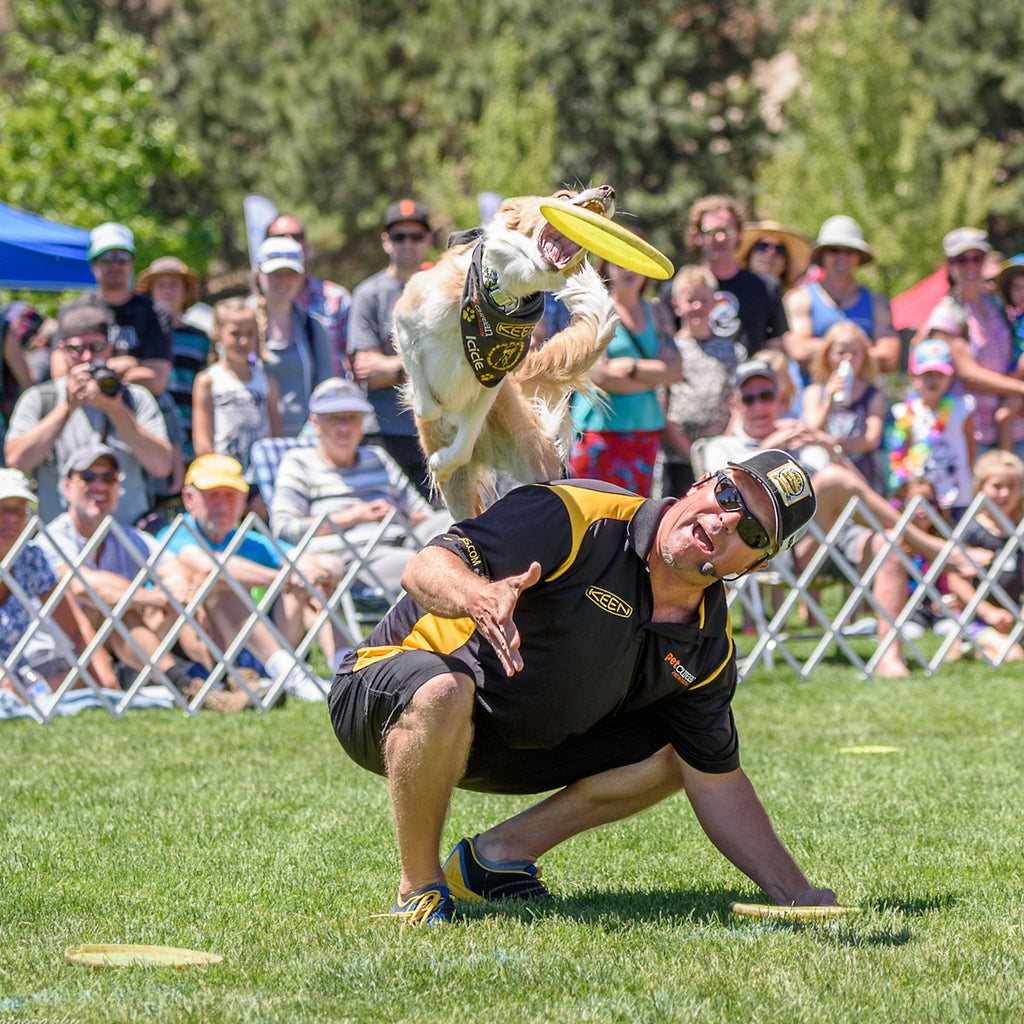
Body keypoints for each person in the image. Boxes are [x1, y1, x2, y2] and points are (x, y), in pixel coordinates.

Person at [330, 449, 837, 925]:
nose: (727, 520)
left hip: (509, 741)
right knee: (444, 690)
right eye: (729, 495)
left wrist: (796, 892)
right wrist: (478, 595)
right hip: (389, 696)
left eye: (751, 530)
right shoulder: (576, 512)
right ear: (703, 483)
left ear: (755, 565)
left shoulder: (708, 644)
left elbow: (718, 780)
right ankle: (420, 890)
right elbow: (423, 568)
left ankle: (495, 859)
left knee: (682, 751)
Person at [701, 360, 980, 678]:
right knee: (832, 480)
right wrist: (772, 449)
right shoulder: (721, 447)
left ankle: (890, 658)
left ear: (780, 400)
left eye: (766, 395)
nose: (759, 405)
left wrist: (830, 449)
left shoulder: (805, 442)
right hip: (772, 549)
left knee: (886, 545)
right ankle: (933, 549)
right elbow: (722, 501)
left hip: (834, 542)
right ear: (735, 405)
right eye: (749, 399)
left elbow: (859, 492)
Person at [32, 444, 212, 699]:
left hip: (116, 651)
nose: (100, 486)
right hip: (58, 656)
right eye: (88, 477)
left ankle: (224, 678)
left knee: (186, 597)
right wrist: (159, 597)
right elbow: (82, 586)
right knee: (112, 606)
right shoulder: (51, 537)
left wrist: (179, 587)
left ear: (118, 488)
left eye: (109, 478)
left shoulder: (127, 536)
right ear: (67, 487)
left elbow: (173, 567)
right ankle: (184, 684)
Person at [156, 454, 338, 702]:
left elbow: (330, 564)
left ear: (243, 501)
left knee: (307, 580)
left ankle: (345, 669)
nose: (222, 504)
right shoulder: (176, 534)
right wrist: (286, 578)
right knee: (223, 586)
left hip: (254, 643)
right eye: (212, 495)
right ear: (189, 498)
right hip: (202, 650)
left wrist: (316, 573)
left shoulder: (250, 539)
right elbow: (212, 569)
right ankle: (291, 675)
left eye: (230, 495)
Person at [270, 378, 449, 595]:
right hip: (353, 556)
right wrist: (353, 516)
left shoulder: (377, 458)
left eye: (352, 418)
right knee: (424, 566)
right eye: (335, 419)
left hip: (402, 537)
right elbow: (284, 530)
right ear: (315, 422)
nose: (344, 427)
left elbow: (425, 515)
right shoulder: (299, 462)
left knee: (452, 522)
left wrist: (397, 515)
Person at [4, 305, 173, 525]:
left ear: (110, 349)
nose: (87, 357)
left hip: (127, 539)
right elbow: (16, 462)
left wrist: (115, 409)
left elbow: (161, 466)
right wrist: (67, 408)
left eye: (97, 347)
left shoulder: (135, 398)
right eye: (76, 348)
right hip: (60, 542)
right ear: (62, 350)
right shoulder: (39, 398)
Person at [0, 467, 119, 701]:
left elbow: (76, 627)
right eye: (2, 509)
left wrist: (110, 688)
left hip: (17, 674)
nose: (11, 518)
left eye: (19, 510)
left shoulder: (31, 559)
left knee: (82, 678)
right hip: (9, 679)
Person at [569, 255, 683, 494]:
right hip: (596, 433)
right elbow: (599, 376)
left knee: (633, 519)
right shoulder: (594, 310)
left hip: (644, 432)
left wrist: (630, 367)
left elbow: (675, 371)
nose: (629, 270)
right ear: (606, 265)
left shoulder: (658, 312)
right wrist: (653, 375)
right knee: (589, 516)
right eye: (620, 262)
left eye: (635, 262)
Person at [348, 198, 435, 498]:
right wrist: (425, 366)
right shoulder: (367, 294)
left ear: (428, 240)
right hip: (383, 433)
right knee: (388, 524)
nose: (407, 244)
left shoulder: (444, 290)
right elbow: (368, 371)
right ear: (386, 242)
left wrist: (393, 366)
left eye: (416, 236)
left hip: (438, 432)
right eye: (399, 236)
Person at [920, 228, 1024, 461]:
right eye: (962, 259)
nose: (970, 266)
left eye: (977, 258)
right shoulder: (946, 314)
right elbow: (970, 375)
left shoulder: (997, 303)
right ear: (950, 264)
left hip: (1014, 427)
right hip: (972, 434)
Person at [58, 222, 173, 396]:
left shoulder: (155, 312)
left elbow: (155, 380)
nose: (115, 265)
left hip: (137, 412)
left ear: (132, 263)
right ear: (93, 264)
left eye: (122, 257)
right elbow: (60, 374)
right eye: (105, 258)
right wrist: (129, 364)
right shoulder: (72, 311)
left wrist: (92, 372)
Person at [660, 265, 745, 497]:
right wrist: (690, 452)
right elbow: (662, 408)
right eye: (691, 300)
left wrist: (721, 447)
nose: (697, 307)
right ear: (677, 304)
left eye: (704, 301)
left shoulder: (733, 351)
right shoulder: (668, 351)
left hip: (721, 458)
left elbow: (739, 402)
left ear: (716, 304)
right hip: (676, 459)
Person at [783, 216, 900, 376]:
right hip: (811, 399)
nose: (842, 257)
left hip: (862, 400)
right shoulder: (800, 298)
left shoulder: (877, 303)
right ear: (822, 255)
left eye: (849, 251)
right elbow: (799, 351)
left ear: (859, 257)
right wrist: (861, 349)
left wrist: (823, 349)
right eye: (834, 250)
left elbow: (889, 358)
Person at [191, 297, 281, 498]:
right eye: (235, 334)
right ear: (217, 334)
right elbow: (203, 442)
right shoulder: (208, 380)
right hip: (223, 482)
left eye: (250, 334)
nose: (243, 341)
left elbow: (276, 438)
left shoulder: (268, 382)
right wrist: (217, 483)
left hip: (261, 484)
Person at [682, 194, 788, 355]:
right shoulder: (681, 290)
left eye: (727, 231)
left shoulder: (766, 287)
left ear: (739, 234)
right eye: (712, 232)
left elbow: (776, 349)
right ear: (697, 236)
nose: (720, 238)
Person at [250, 236, 334, 438]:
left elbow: (326, 390)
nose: (284, 281)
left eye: (291, 274)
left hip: (305, 440)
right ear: (259, 274)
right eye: (275, 274)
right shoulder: (241, 325)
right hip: (253, 438)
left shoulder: (314, 328)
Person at [945, 450, 1024, 663]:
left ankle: (978, 650)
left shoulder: (1019, 530)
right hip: (976, 617)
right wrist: (987, 612)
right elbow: (955, 580)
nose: (1005, 493)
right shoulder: (971, 529)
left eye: (1012, 486)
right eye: (997, 486)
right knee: (1015, 656)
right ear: (980, 488)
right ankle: (967, 647)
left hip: (1013, 615)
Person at [888, 338, 976, 520]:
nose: (934, 380)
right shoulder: (906, 413)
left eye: (940, 374)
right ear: (914, 377)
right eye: (928, 374)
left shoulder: (962, 407)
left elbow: (970, 446)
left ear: (950, 377)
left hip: (958, 493)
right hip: (924, 498)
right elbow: (902, 453)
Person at [135, 256, 211, 464]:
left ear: (185, 291)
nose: (168, 290)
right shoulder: (140, 335)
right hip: (149, 429)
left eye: (174, 284)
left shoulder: (200, 338)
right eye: (161, 285)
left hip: (190, 429)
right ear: (150, 291)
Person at [800, 321, 886, 491]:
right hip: (821, 474)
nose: (848, 358)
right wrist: (828, 402)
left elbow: (871, 439)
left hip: (860, 474)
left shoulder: (873, 394)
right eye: (841, 353)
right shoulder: (814, 392)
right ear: (827, 356)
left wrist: (832, 446)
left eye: (855, 353)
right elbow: (811, 431)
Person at [265, 213, 352, 378]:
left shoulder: (336, 298)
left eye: (296, 237)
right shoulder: (251, 311)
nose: (288, 242)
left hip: (330, 399)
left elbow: (354, 360)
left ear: (307, 245)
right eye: (279, 237)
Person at [735, 220, 812, 292]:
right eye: (763, 246)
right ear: (749, 254)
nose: (771, 253)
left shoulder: (793, 301)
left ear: (786, 262)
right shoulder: (731, 294)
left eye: (779, 249)